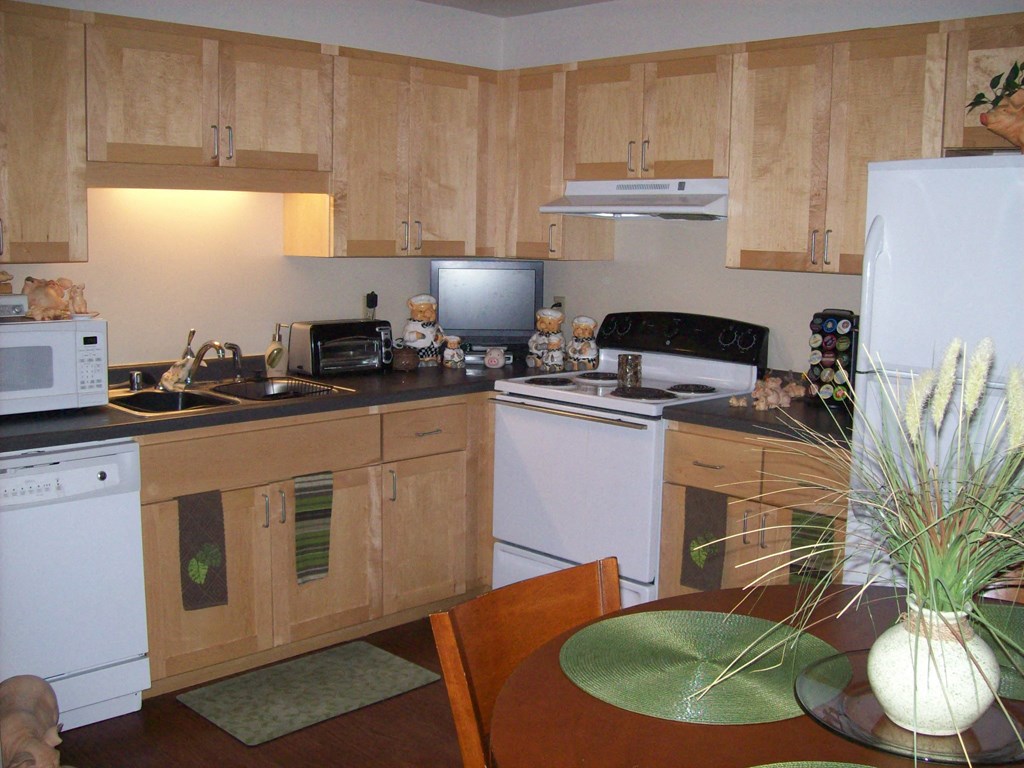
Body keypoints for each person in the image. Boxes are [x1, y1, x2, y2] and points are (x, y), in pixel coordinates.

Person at [402, 294, 445, 366]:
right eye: (421, 311)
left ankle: (431, 360)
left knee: (432, 356)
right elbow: (406, 336)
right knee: (417, 355)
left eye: (430, 311)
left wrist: (440, 337)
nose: (427, 314)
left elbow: (442, 334)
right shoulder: (411, 326)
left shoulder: (436, 325)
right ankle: (419, 361)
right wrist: (415, 335)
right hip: (417, 348)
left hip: (432, 348)